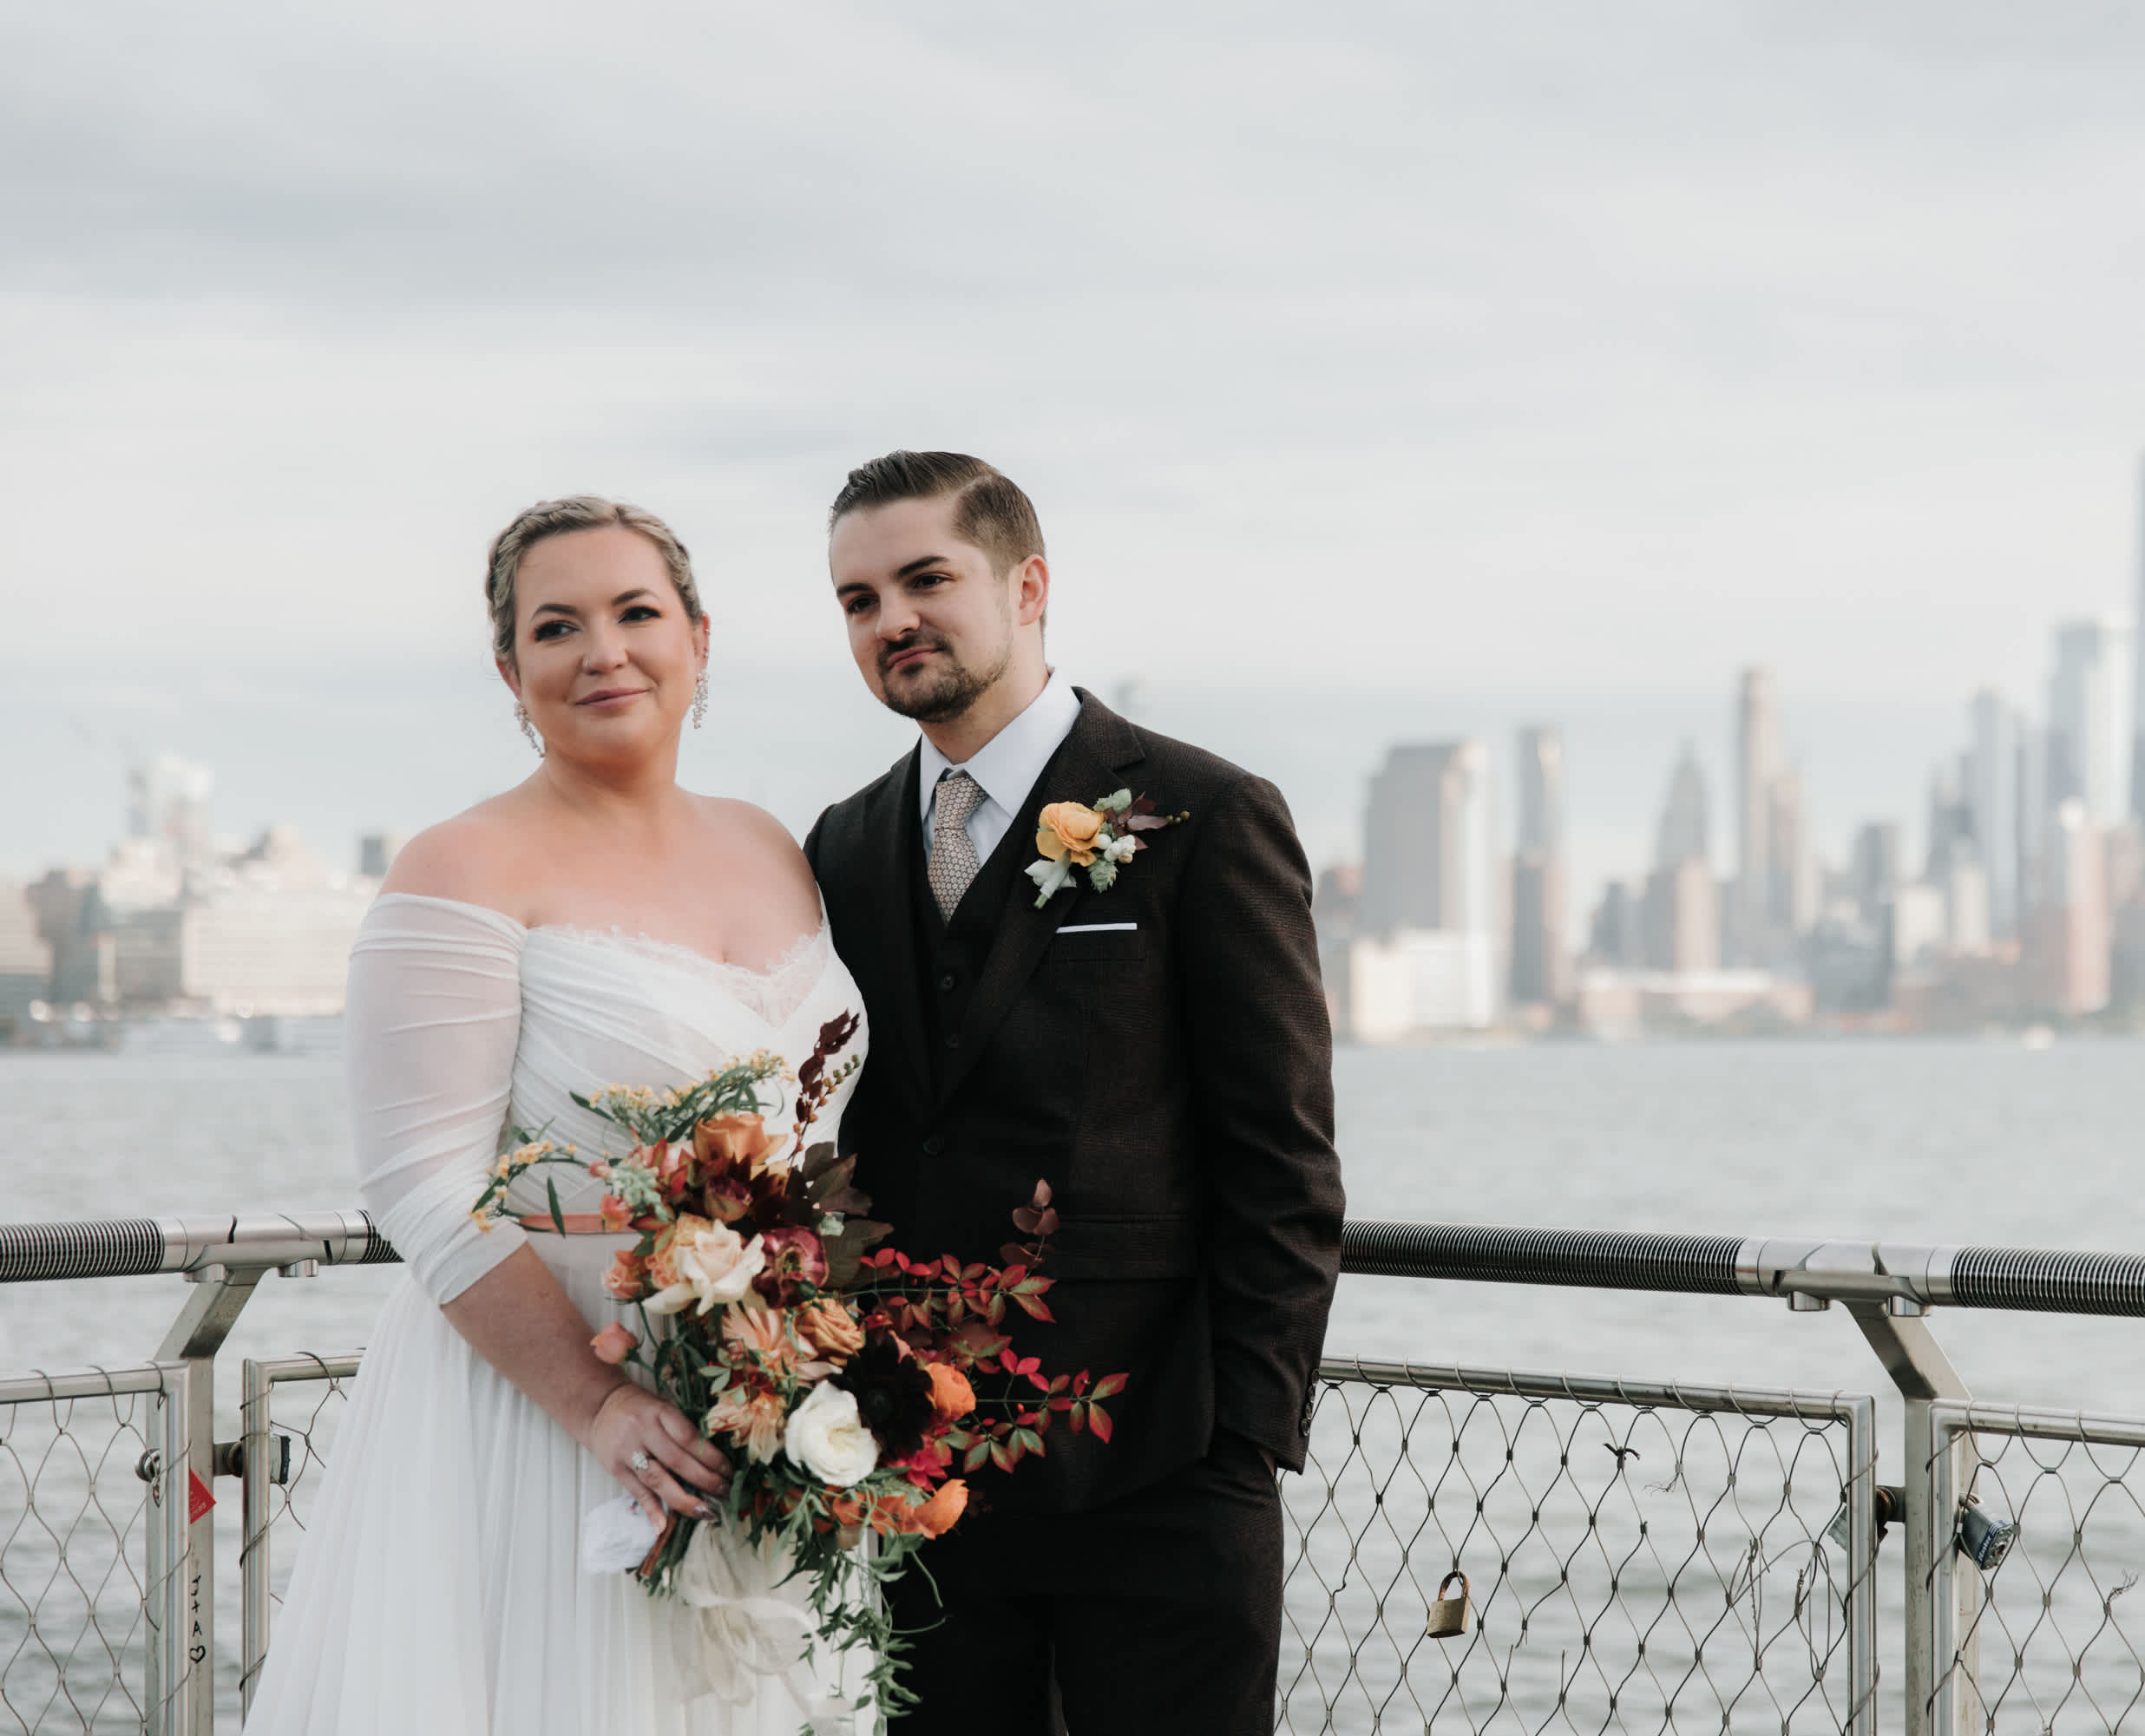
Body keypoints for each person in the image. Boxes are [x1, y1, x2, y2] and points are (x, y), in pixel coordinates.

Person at [246, 497, 868, 1734]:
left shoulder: (773, 846)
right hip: (549, 1407)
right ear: (509, 669)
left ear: (698, 636)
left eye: (637, 612)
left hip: (768, 1403)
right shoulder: (462, 865)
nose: (604, 652)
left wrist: (813, 1354)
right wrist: (595, 1404)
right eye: (557, 627)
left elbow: (824, 1142)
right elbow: (420, 1181)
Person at [804, 451, 1345, 1733]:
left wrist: (1242, 1439)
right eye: (859, 600)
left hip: (1161, 1473)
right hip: (924, 1478)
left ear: (1028, 586)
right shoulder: (842, 845)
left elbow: (1284, 1160)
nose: (892, 620)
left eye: (926, 580)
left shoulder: (1204, 813)